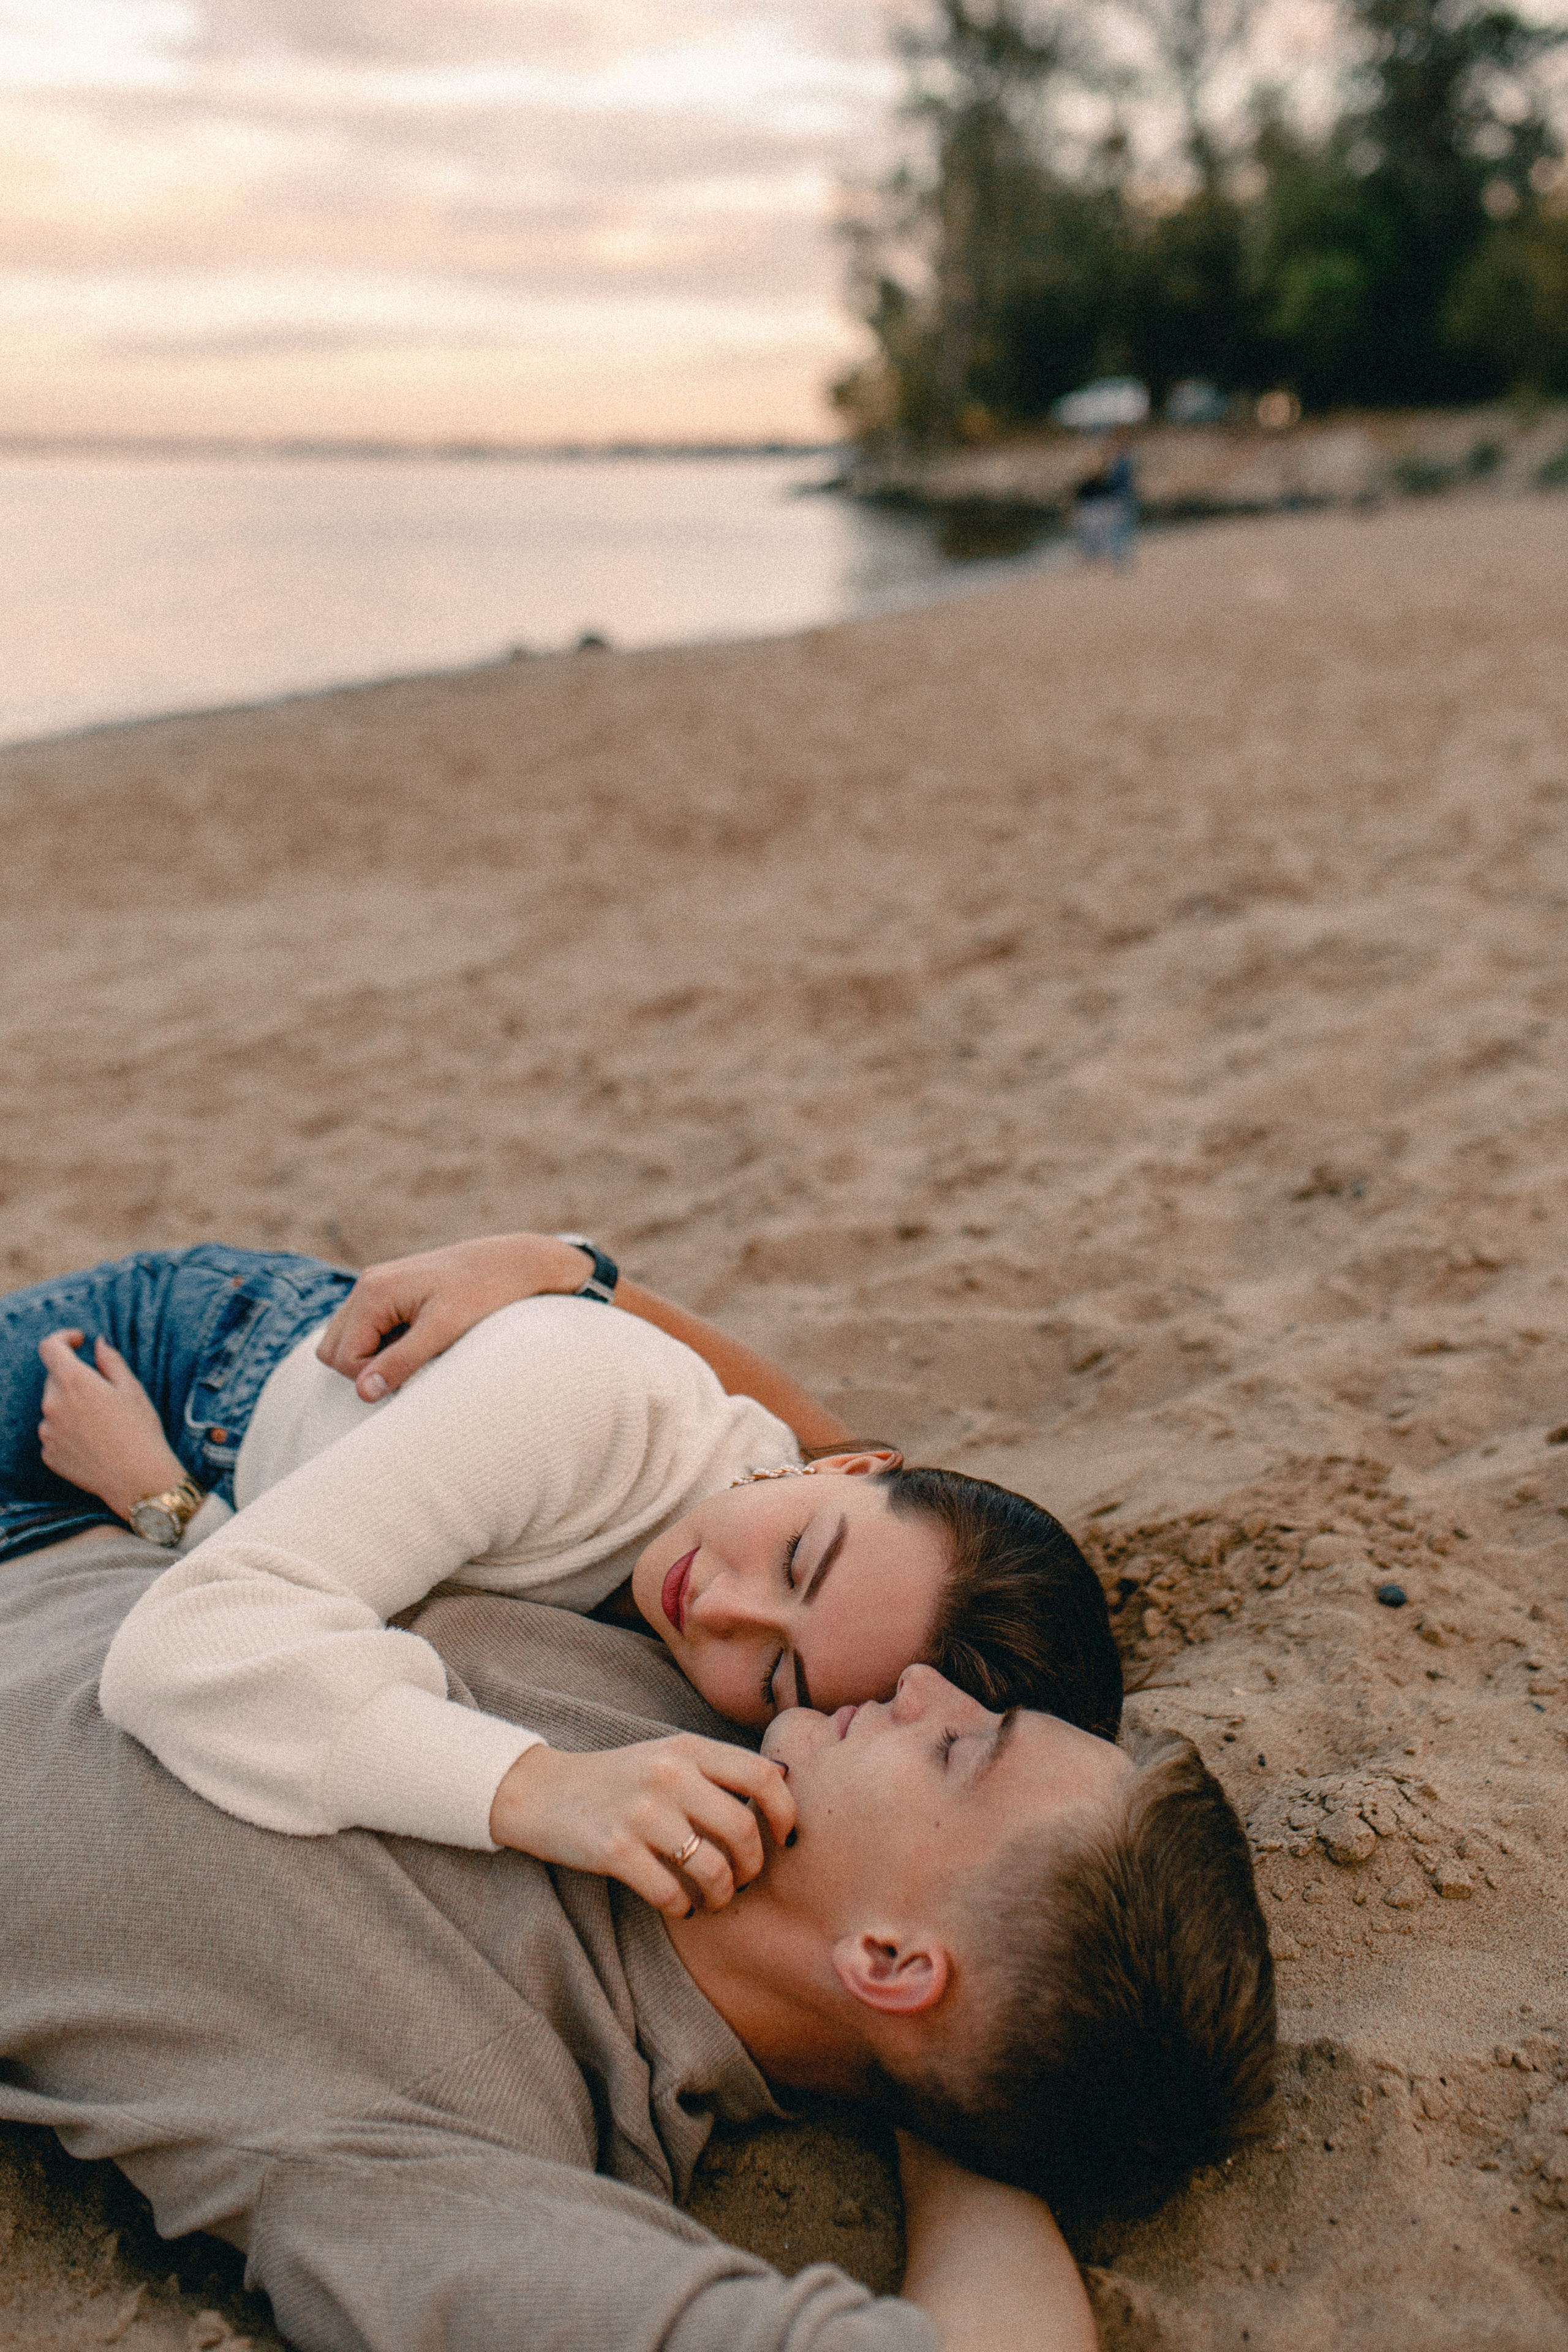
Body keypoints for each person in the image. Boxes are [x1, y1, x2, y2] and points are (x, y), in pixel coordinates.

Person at [0, 1525, 1276, 2352]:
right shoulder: (722, 1699)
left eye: (957, 1752)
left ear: (889, 1962)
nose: (920, 1690)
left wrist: (963, 2119)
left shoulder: (456, 2129)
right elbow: (840, 1494)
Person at [0, 1234, 1122, 1918]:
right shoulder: (577, 1402)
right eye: (796, 1558)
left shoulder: (824, 1532)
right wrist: (540, 1791)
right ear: (850, 1467)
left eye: (780, 1676)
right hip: (154, 1376)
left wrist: (569, 1262)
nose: (719, 1607)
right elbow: (180, 1657)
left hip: (256, 1489)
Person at [1071, 429, 1137, 566]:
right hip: (1114, 499)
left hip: (1115, 499)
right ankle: (1114, 558)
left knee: (1114, 530)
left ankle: (1116, 559)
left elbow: (1114, 483)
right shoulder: (1120, 462)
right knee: (1113, 530)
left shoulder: (1121, 463)